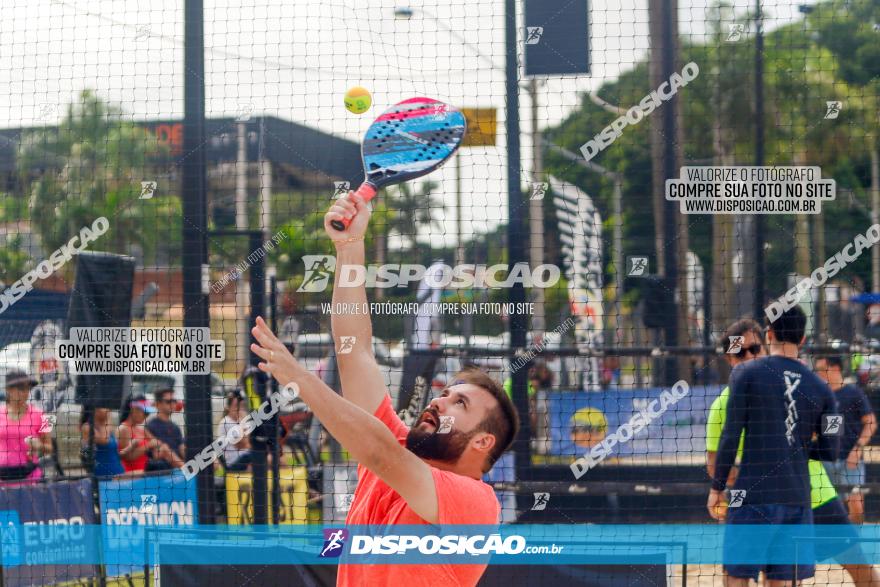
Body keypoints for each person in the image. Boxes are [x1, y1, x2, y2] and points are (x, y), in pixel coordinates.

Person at [248, 191, 520, 586]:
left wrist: (301, 379)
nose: (439, 401)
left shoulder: (474, 501)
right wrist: (349, 247)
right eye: (445, 393)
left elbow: (378, 452)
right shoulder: (397, 448)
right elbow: (354, 351)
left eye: (459, 402)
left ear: (482, 442)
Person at [708, 320, 880, 586]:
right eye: (740, 353)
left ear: (766, 345)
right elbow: (715, 465)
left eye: (754, 349)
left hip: (815, 496)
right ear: (729, 358)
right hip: (761, 499)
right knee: (762, 576)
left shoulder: (799, 386)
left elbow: (826, 436)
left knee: (859, 567)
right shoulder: (722, 404)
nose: (749, 357)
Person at [815, 354, 877, 524]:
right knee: (834, 509)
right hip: (827, 461)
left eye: (821, 370)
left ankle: (854, 541)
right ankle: (843, 544)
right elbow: (826, 430)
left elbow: (871, 423)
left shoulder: (853, 392)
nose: (818, 374)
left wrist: (857, 449)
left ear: (835, 368)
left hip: (851, 460)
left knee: (856, 506)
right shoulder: (821, 396)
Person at [397, 259, 446, 411]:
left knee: (420, 395)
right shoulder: (432, 281)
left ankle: (407, 416)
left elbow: (433, 318)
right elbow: (431, 318)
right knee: (411, 396)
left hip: (425, 350)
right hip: (420, 351)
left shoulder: (431, 288)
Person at [0, 370, 52, 482]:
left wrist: (39, 446)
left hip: (30, 476)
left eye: (27, 388)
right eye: (21, 388)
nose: (25, 392)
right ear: (8, 390)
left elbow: (50, 448)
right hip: (2, 479)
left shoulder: (41, 414)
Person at [117, 394, 165, 474]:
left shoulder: (141, 429)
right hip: (131, 477)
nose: (146, 416)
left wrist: (156, 449)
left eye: (148, 414)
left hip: (145, 474)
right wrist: (148, 445)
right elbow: (128, 457)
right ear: (134, 409)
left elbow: (158, 443)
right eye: (145, 413)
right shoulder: (123, 429)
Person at [146, 388, 186, 468]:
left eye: (174, 401)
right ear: (157, 404)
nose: (172, 404)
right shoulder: (150, 426)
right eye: (168, 401)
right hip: (162, 470)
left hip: (178, 468)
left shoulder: (175, 427)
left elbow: (182, 449)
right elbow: (157, 454)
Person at [80, 406, 125, 477]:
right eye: (104, 407)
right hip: (101, 475)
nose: (108, 410)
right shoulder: (87, 427)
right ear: (95, 410)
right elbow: (104, 440)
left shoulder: (108, 427)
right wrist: (107, 419)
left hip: (118, 473)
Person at [217, 389, 254, 472]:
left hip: (244, 457)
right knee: (261, 455)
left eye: (241, 406)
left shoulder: (240, 421)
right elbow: (243, 444)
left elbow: (250, 441)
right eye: (236, 406)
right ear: (228, 407)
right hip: (233, 462)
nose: (239, 409)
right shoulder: (226, 422)